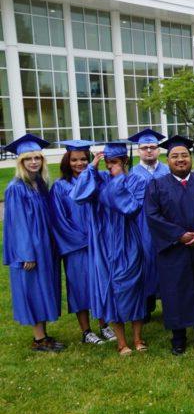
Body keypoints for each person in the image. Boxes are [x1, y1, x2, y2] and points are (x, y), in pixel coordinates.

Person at [143, 135, 194, 355]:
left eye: (184, 155)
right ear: (167, 159)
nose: (180, 159)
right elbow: (152, 216)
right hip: (173, 250)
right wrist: (179, 235)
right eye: (174, 156)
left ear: (191, 157)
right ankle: (178, 337)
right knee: (176, 291)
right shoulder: (156, 185)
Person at [72, 142, 148, 355]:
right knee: (111, 289)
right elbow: (78, 196)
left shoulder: (137, 180)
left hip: (128, 240)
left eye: (114, 162)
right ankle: (121, 342)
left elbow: (130, 208)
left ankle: (138, 338)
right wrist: (91, 169)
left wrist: (119, 179)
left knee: (133, 287)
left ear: (124, 161)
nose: (109, 166)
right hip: (104, 243)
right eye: (107, 162)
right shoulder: (100, 179)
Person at [3, 134, 63, 353]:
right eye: (28, 159)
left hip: (45, 247)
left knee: (44, 288)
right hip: (31, 251)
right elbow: (18, 225)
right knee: (33, 290)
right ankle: (39, 340)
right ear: (20, 162)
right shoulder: (16, 188)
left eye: (37, 157)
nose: (34, 162)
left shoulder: (39, 184)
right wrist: (26, 254)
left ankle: (44, 335)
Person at [50, 140, 109, 344]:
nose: (80, 163)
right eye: (74, 160)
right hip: (77, 247)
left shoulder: (98, 179)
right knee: (79, 287)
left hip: (98, 243)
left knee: (102, 284)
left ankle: (104, 325)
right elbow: (59, 221)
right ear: (67, 161)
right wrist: (83, 241)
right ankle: (86, 332)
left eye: (83, 159)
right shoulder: (60, 187)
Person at [128, 127, 169, 319]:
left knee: (168, 264)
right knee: (144, 264)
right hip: (141, 226)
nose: (149, 151)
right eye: (144, 148)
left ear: (159, 150)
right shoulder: (131, 174)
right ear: (138, 151)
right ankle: (145, 306)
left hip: (166, 226)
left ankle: (171, 304)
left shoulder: (168, 171)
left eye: (153, 147)